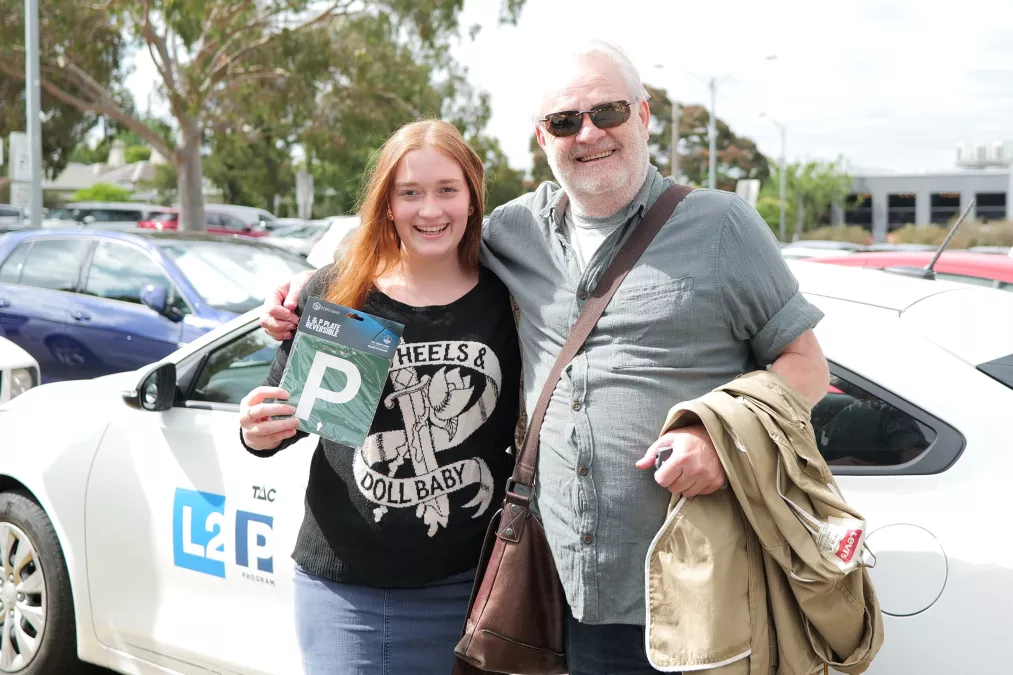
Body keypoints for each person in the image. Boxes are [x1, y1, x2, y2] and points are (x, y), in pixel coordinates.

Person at [260, 41, 829, 675]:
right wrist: (303, 293)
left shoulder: (724, 226)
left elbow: (806, 365)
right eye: (565, 121)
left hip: (693, 585)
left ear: (643, 117)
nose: (588, 134)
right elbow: (411, 245)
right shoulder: (512, 233)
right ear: (542, 138)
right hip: (562, 593)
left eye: (607, 112)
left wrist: (723, 439)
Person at [239, 119, 520, 675]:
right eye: (409, 192)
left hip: (471, 590)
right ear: (387, 203)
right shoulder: (342, 292)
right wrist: (256, 429)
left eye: (447, 190)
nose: (430, 210)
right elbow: (282, 424)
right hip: (346, 591)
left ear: (471, 197)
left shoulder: (508, 300)